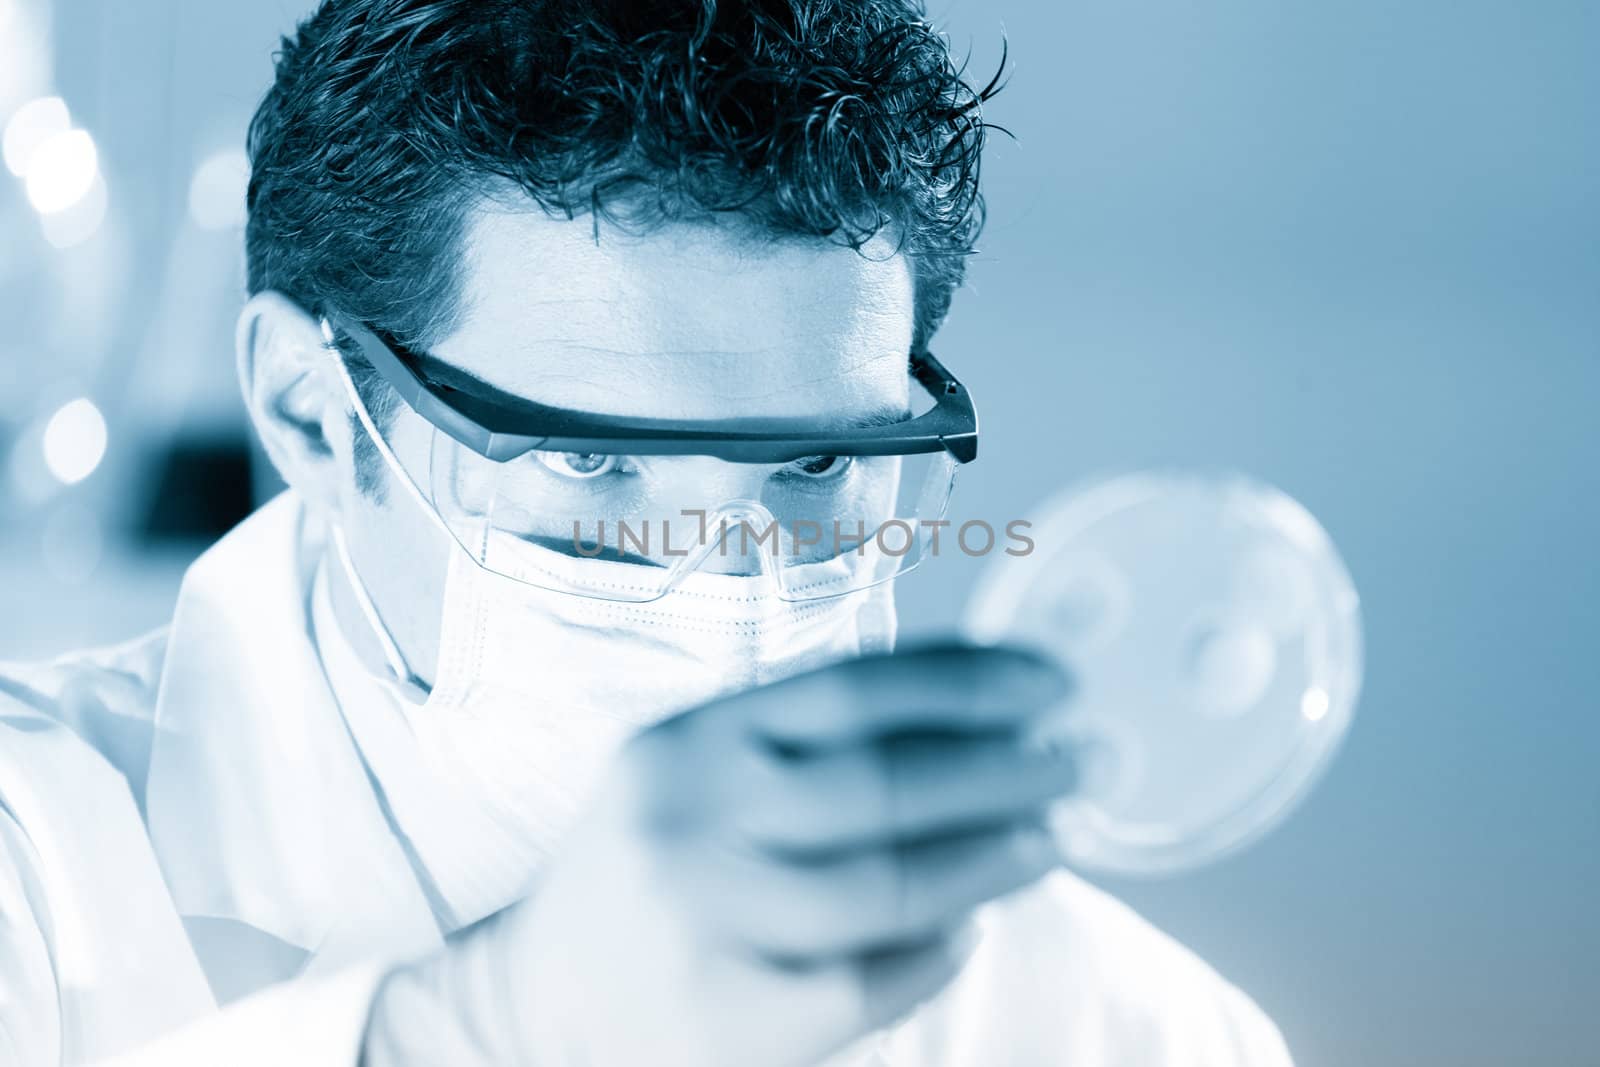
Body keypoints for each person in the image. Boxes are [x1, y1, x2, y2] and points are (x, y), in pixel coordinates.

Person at [0, 1, 1294, 1064]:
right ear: (316, 416)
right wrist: (477, 1035)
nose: (726, 582)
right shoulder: (34, 870)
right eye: (588, 454)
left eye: (819, 457)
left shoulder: (1127, 1031)